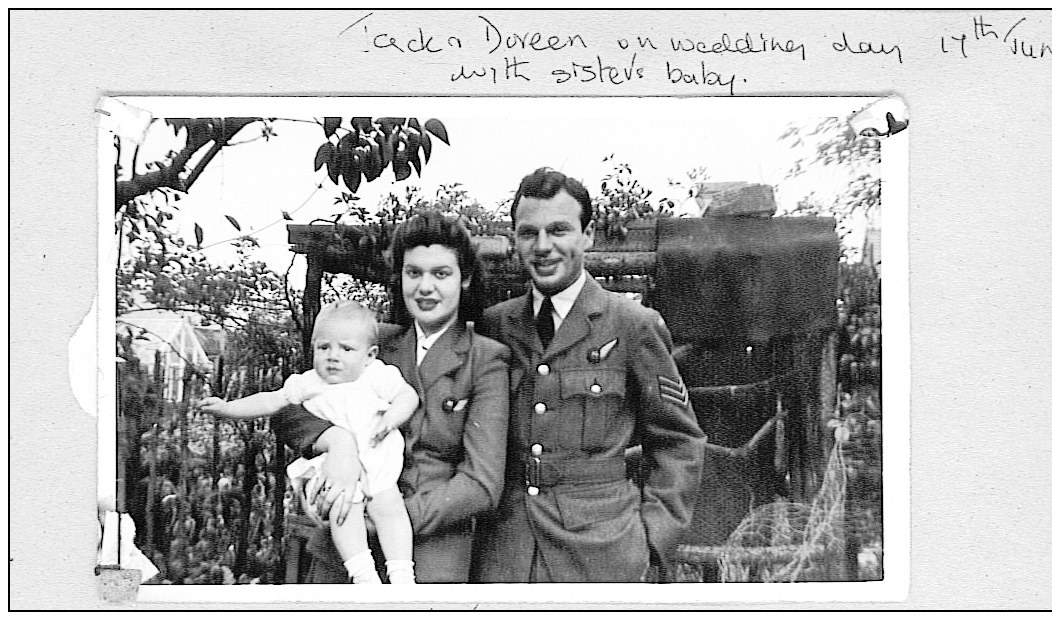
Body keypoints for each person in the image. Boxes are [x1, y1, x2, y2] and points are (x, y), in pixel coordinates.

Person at [471, 167, 708, 583]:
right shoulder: (497, 325)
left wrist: (654, 539)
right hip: (506, 550)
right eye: (529, 233)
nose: (543, 247)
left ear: (588, 234)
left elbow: (679, 441)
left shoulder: (632, 324)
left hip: (602, 551)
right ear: (515, 239)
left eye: (559, 230)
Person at [275, 211, 510, 583]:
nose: (425, 287)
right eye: (413, 273)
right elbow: (290, 408)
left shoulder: (485, 359)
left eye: (441, 273)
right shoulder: (372, 344)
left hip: (431, 553)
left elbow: (481, 484)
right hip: (343, 547)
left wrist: (385, 516)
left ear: (464, 279)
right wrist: (337, 444)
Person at [198, 300, 420, 584]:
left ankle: (402, 574)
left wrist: (392, 418)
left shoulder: (376, 374)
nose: (333, 356)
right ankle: (364, 575)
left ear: (369, 355)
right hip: (334, 469)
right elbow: (271, 401)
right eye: (324, 347)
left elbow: (407, 396)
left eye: (346, 349)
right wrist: (228, 408)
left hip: (377, 459)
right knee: (343, 509)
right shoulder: (309, 382)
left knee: (390, 509)